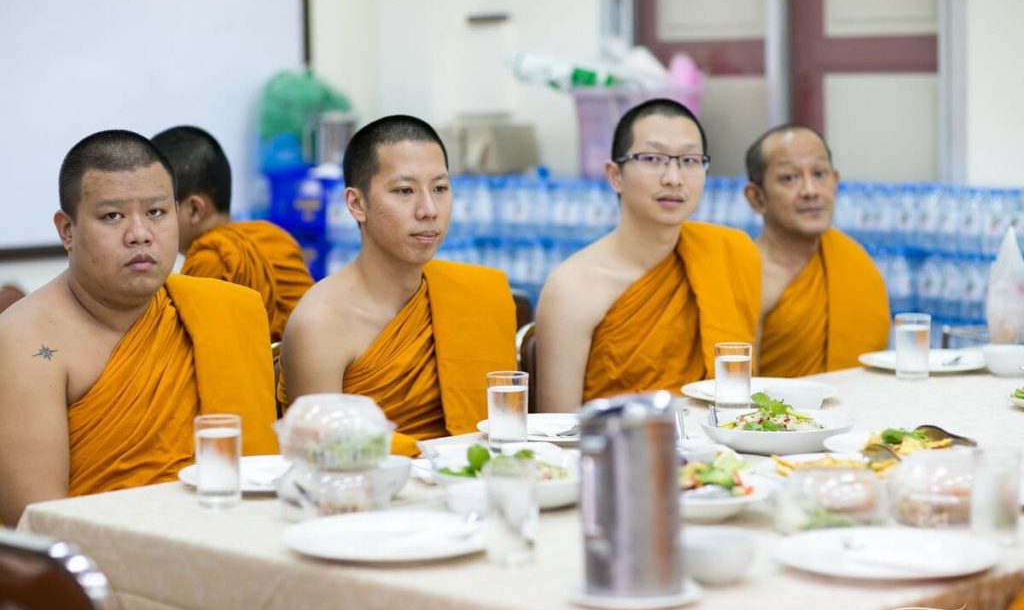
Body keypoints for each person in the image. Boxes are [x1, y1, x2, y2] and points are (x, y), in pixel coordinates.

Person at [0, 130, 278, 525]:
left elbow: (262, 478)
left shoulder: (225, 310)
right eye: (112, 216)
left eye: (156, 212)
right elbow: (35, 525)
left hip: (231, 543)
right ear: (67, 230)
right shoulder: (24, 342)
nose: (140, 234)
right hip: (101, 571)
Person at [279, 115, 517, 456]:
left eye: (440, 188)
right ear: (356, 203)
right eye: (404, 191)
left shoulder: (474, 296)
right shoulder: (321, 323)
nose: (428, 209)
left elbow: (503, 436)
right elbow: (319, 460)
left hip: (472, 486)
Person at [534, 99, 761, 412]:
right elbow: (557, 430)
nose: (673, 178)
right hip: (619, 453)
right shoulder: (572, 287)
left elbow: (745, 391)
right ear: (615, 175)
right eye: (653, 158)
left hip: (725, 451)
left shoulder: (730, 253)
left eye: (690, 161)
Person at [743, 124, 889, 377]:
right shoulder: (745, 275)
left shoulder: (854, 262)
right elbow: (737, 392)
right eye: (790, 177)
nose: (810, 191)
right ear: (757, 197)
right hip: (777, 416)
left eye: (820, 174)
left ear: (835, 181)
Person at [151, 126, 314, 343]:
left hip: (261, 374)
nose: (146, 224)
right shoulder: (275, 236)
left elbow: (195, 348)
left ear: (195, 210)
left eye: (155, 211)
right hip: (309, 366)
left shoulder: (211, 259)